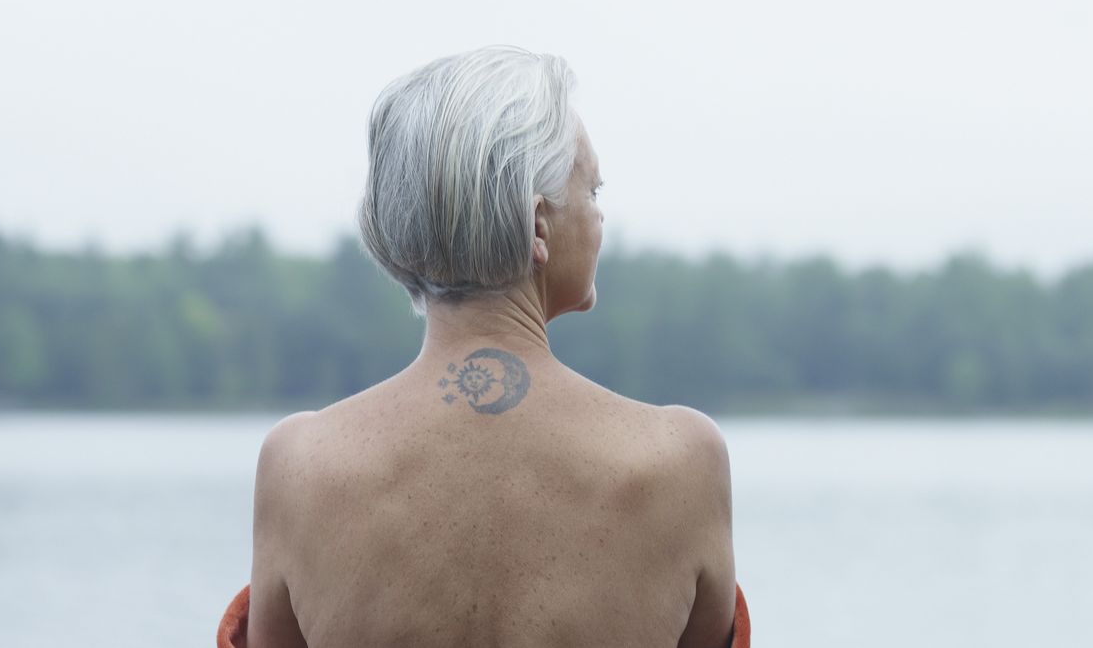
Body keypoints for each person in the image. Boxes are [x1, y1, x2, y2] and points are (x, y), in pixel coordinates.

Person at [245, 45, 736, 647]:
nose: (601, 221)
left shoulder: (299, 465)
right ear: (537, 226)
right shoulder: (680, 460)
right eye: (594, 194)